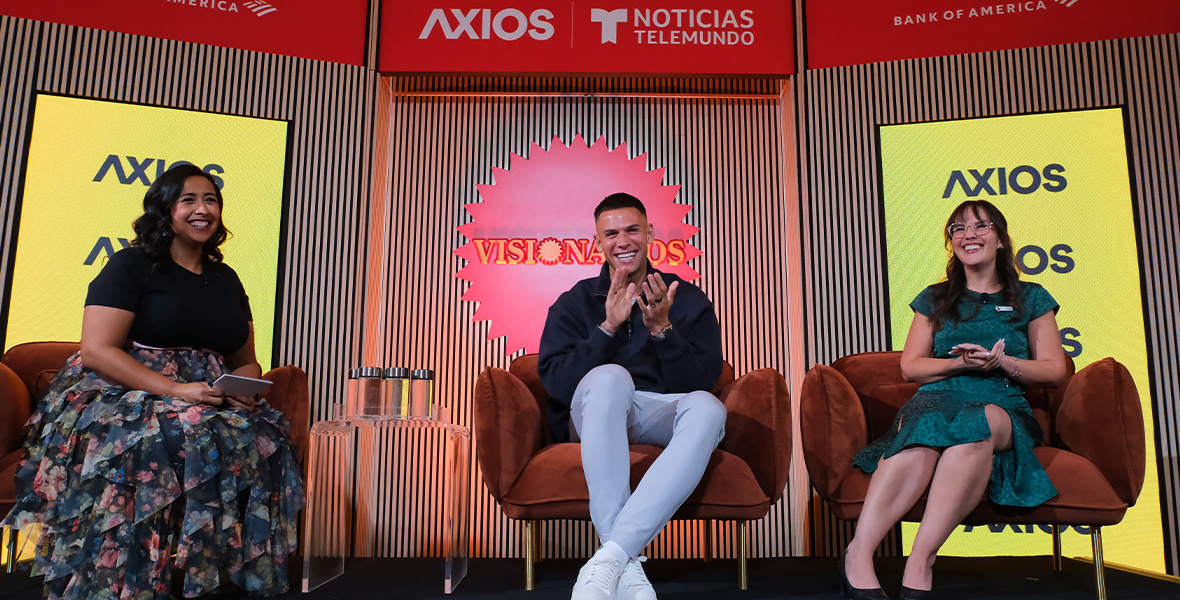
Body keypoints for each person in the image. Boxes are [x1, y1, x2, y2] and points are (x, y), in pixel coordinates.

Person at [2, 164, 304, 599]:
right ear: (165, 211)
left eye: (212, 200)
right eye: (189, 200)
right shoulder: (131, 265)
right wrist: (178, 390)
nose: (204, 209)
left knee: (261, 434)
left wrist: (240, 390)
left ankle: (220, 578)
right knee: (165, 432)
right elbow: (98, 351)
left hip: (210, 396)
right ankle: (125, 581)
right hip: (127, 390)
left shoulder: (227, 278)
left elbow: (248, 362)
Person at [839, 199, 1068, 600]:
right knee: (925, 436)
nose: (969, 235)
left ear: (1000, 238)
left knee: (978, 424)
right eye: (958, 229)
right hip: (938, 396)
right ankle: (859, 554)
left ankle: (921, 559)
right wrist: (957, 364)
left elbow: (1053, 370)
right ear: (952, 243)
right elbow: (911, 368)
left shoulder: (1031, 297)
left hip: (1003, 400)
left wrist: (1003, 362)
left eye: (981, 226)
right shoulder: (935, 298)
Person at [538, 192, 726, 600]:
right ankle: (623, 562)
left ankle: (613, 559)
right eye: (611, 234)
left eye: (632, 230)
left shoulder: (687, 299)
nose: (622, 241)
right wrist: (606, 328)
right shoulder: (575, 302)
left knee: (709, 409)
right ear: (597, 242)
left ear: (650, 233)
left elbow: (702, 381)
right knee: (610, 378)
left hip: (657, 410)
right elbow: (556, 383)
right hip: (597, 411)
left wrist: (663, 330)